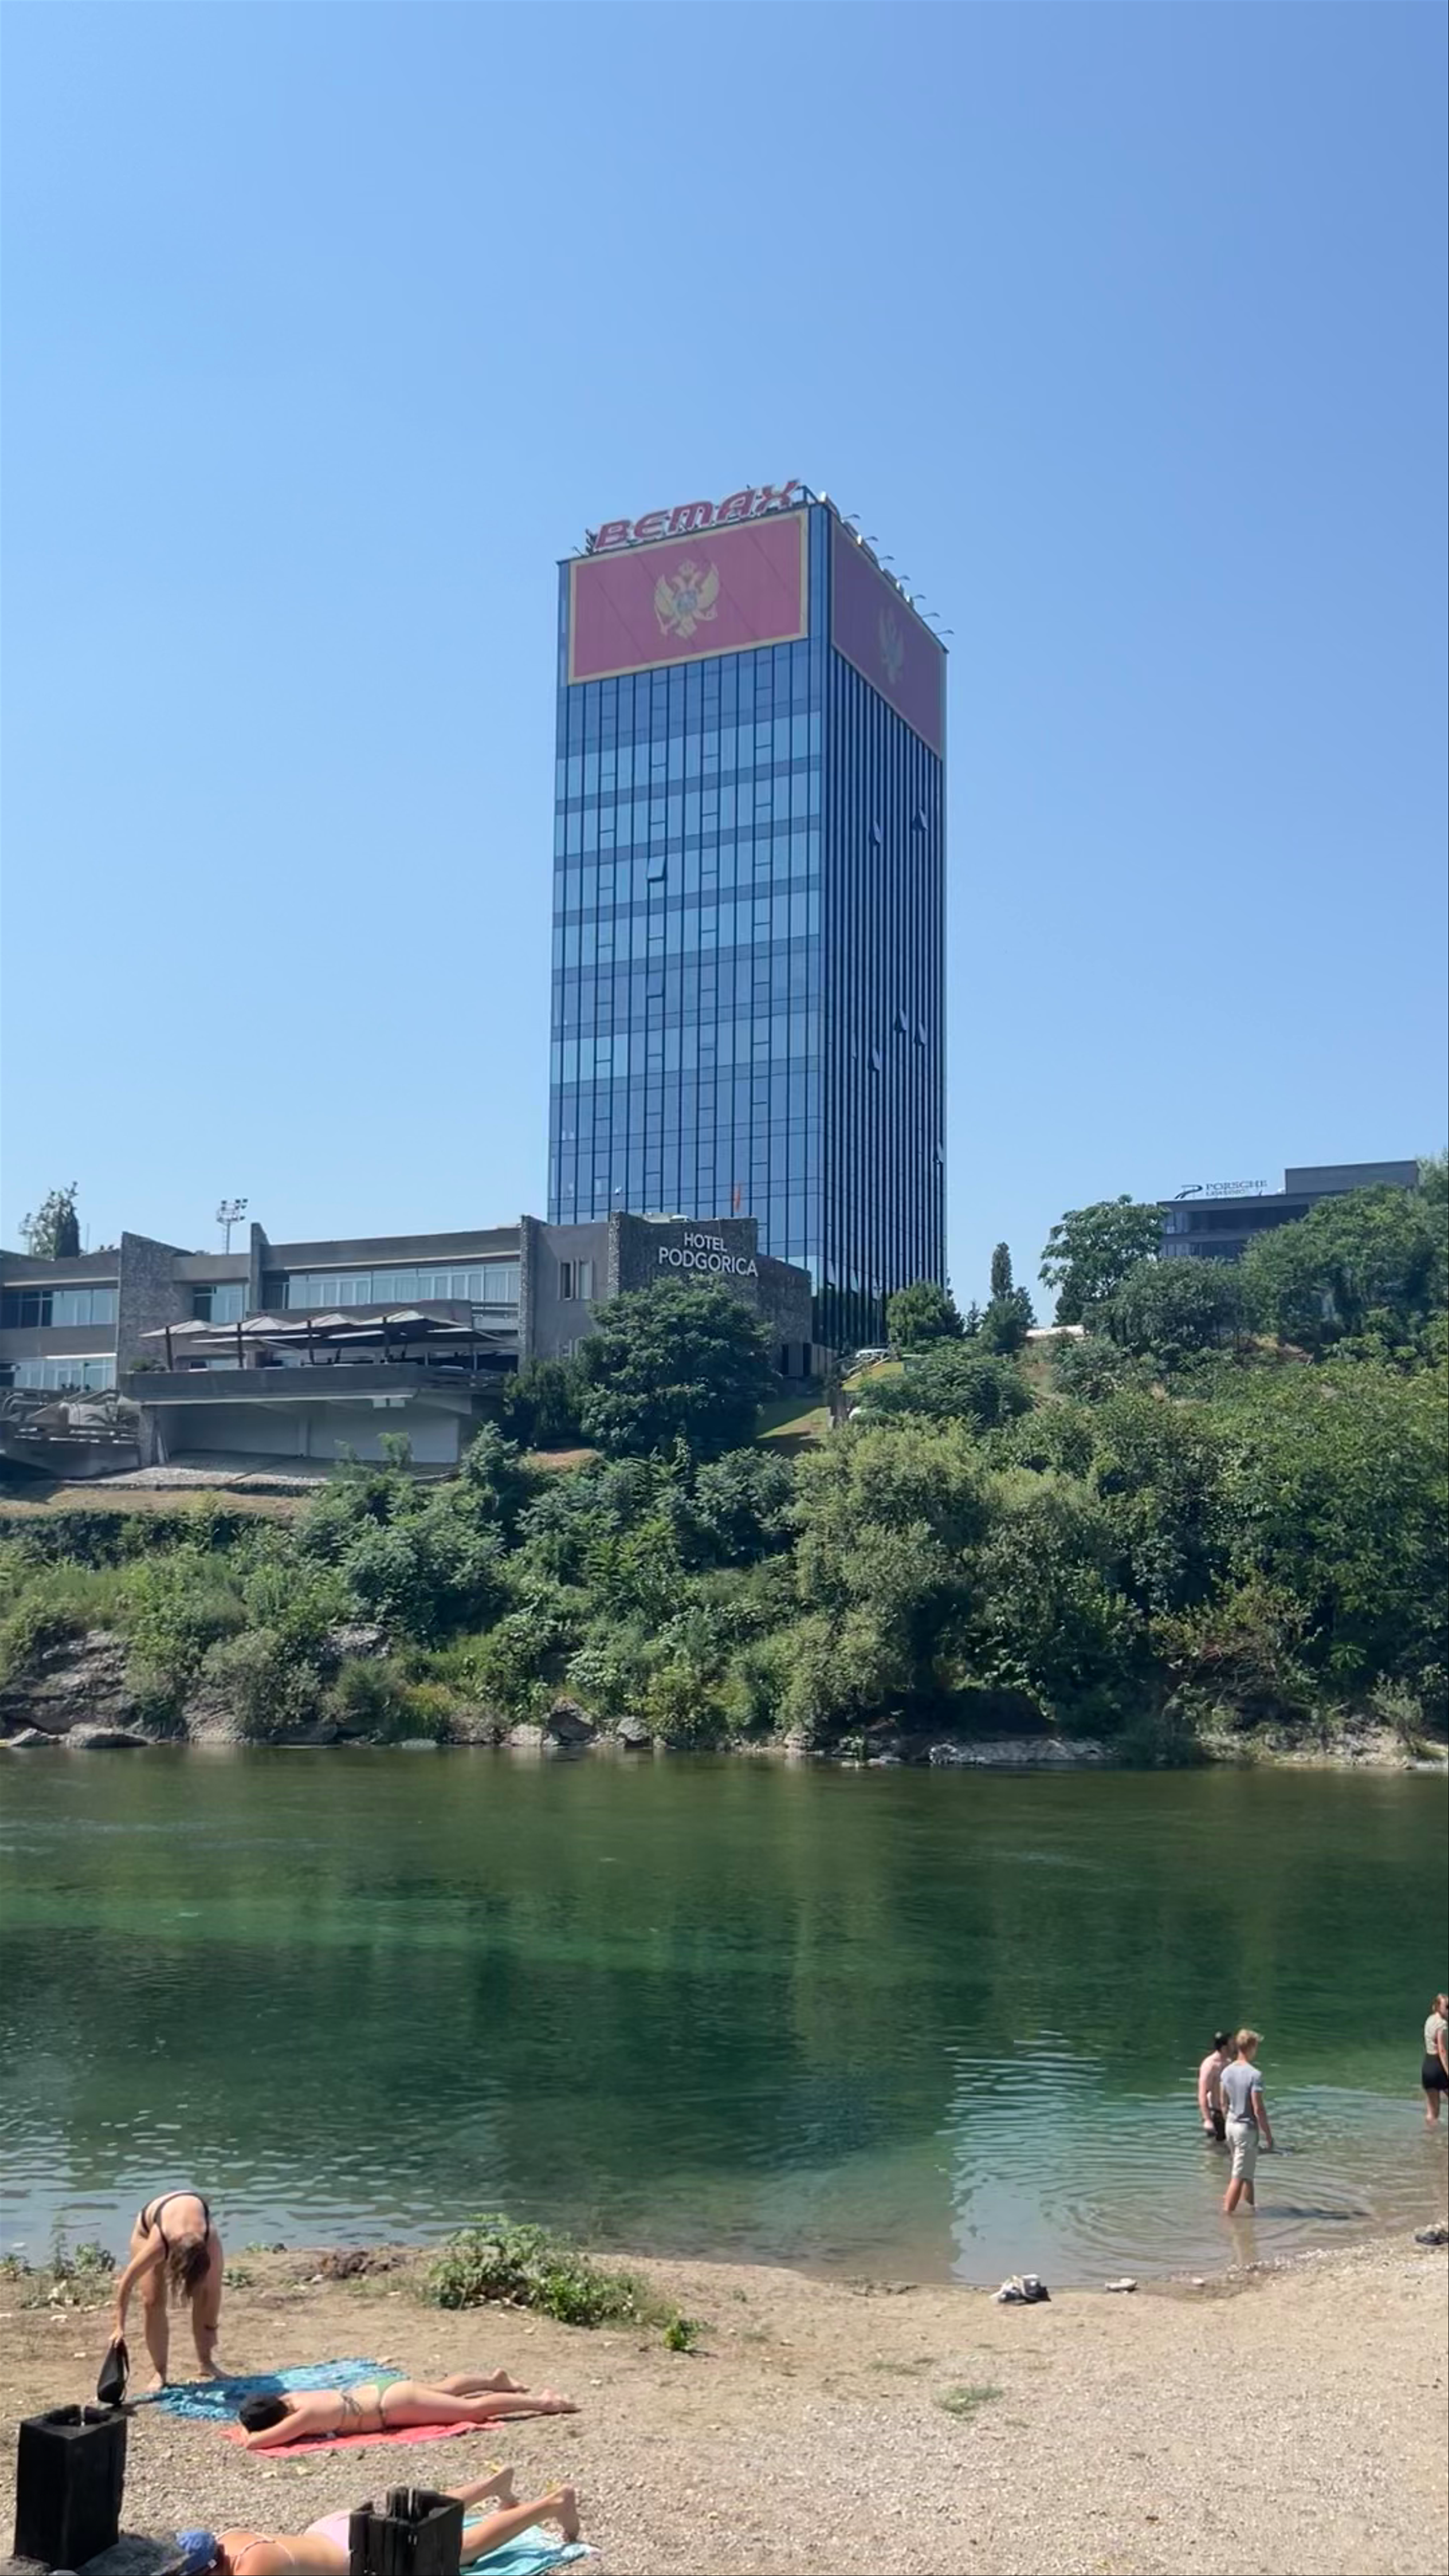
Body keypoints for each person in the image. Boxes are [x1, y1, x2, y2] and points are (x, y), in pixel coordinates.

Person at [172, 2469, 583, 2576]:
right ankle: (491, 2484)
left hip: (362, 2555)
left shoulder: (252, 2568)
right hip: (332, 2528)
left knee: (459, 2551)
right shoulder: (228, 2536)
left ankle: (551, 2502)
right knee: (421, 2515)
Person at [235, 2372, 578, 2449]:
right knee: (445, 2389)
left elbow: (256, 2444)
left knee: (472, 2412)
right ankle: (495, 2380)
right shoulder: (296, 2397)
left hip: (393, 2407)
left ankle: (545, 2403)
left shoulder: (302, 2419)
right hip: (381, 2389)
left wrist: (250, 2432)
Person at [108, 2191, 224, 2391]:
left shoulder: (209, 2239)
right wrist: (119, 2326)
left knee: (204, 2294)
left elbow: (213, 2292)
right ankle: (160, 2372)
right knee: (152, 2301)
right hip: (150, 2225)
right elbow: (126, 2283)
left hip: (192, 2212)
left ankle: (206, 2363)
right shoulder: (159, 2245)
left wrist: (211, 2329)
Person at [1220, 2030, 1275, 2215]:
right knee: (1238, 2176)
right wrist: (1269, 2135)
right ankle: (1227, 2218)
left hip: (1231, 2125)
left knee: (1247, 2173)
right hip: (1246, 2128)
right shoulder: (1255, 2075)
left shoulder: (1226, 2071)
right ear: (1251, 2048)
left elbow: (1223, 2103)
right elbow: (1258, 2108)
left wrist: (1230, 2118)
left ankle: (1252, 2208)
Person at [1197, 2031, 1234, 2143]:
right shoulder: (1210, 2065)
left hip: (1228, 2112)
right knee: (1216, 2151)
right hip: (1215, 2114)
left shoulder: (1229, 2062)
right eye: (1232, 2044)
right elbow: (1202, 2093)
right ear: (1224, 2048)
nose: (1235, 2046)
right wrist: (1207, 2120)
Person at [1422, 1992, 1449, 2124]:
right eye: (1447, 2007)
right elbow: (1442, 2050)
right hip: (1438, 2067)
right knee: (1436, 2112)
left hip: (1427, 2066)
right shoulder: (1442, 2024)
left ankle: (1429, 2140)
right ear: (1439, 2007)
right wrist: (1448, 2072)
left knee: (1431, 2113)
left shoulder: (1430, 2020)